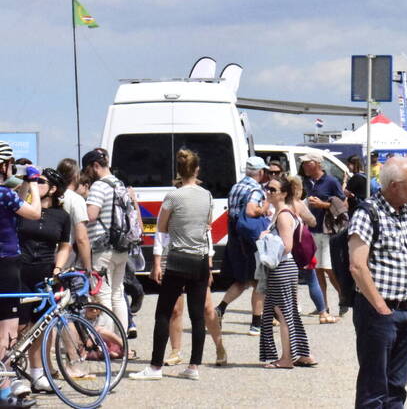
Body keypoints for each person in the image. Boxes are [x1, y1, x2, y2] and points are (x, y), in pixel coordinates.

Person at [130, 149, 216, 381]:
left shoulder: (173, 197)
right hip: (200, 258)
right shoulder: (207, 195)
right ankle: (194, 366)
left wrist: (158, 260)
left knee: (164, 312)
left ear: (179, 171)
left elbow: (162, 227)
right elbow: (207, 224)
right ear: (197, 170)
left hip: (178, 258)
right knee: (197, 315)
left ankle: (156, 366)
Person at [349, 156, 407, 408]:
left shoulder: (405, 212)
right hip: (378, 313)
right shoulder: (367, 213)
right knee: (374, 388)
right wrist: (381, 307)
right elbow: (357, 266)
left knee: (396, 388)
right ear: (394, 185)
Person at [17, 168, 72, 393]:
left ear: (53, 189)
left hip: (46, 272)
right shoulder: (26, 209)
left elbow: (65, 245)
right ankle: (12, 369)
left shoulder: (62, 216)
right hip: (20, 270)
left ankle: (38, 373)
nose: (36, 184)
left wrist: (58, 268)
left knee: (42, 325)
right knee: (19, 325)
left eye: (41, 182)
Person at [0, 142, 41, 409]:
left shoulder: (7, 194)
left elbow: (17, 200)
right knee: (7, 330)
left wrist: (24, 185)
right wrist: (35, 184)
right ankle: (4, 392)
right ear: (4, 166)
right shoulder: (3, 194)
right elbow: (35, 212)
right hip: (7, 262)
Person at [259, 175, 314, 369]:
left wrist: (266, 238)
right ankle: (301, 353)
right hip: (285, 268)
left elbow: (287, 245)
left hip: (282, 267)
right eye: (267, 188)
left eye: (273, 190)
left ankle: (286, 358)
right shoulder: (282, 212)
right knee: (287, 312)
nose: (268, 192)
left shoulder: (283, 215)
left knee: (282, 313)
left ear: (283, 193)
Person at [215, 157, 269, 335]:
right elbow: (251, 210)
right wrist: (265, 209)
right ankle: (256, 324)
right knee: (259, 281)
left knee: (242, 280)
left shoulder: (236, 187)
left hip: (236, 239)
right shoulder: (255, 189)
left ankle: (220, 309)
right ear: (260, 172)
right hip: (250, 240)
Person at [84, 148, 135, 333]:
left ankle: (106, 342)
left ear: (95, 166)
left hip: (102, 249)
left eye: (88, 169)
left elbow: (91, 215)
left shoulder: (99, 186)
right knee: (118, 294)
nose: (87, 175)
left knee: (103, 296)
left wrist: (82, 203)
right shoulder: (120, 184)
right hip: (121, 248)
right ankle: (121, 339)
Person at [299, 152, 345, 318]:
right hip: (312, 230)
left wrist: (323, 204)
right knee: (317, 269)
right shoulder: (308, 182)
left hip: (327, 231)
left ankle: (343, 299)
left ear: (317, 164)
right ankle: (323, 306)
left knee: (328, 268)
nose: (304, 166)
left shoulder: (331, 181)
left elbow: (342, 204)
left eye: (307, 163)